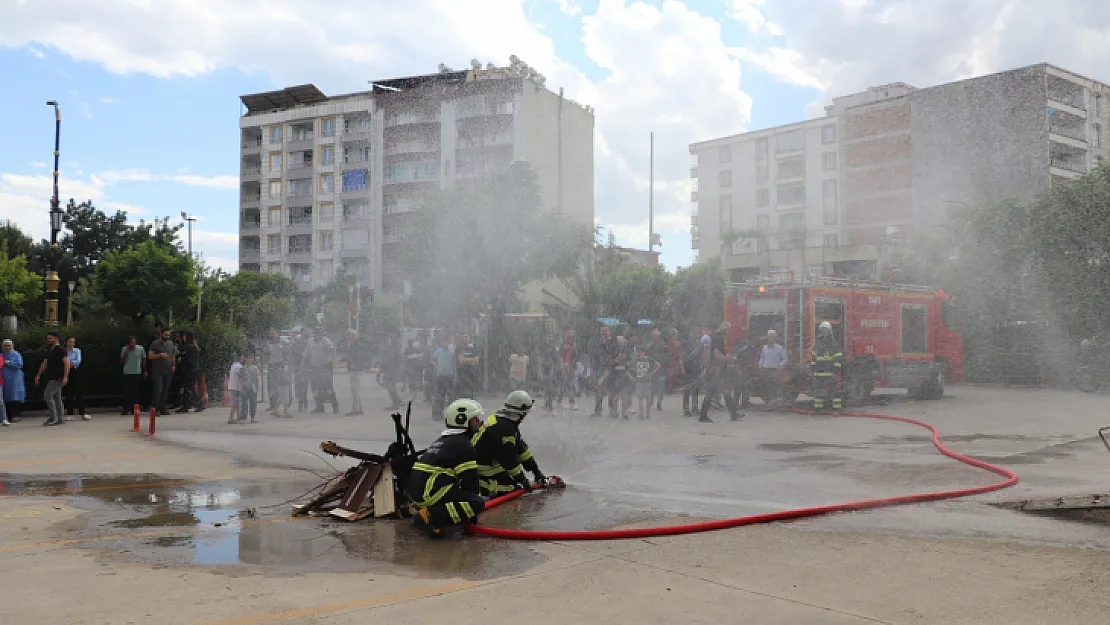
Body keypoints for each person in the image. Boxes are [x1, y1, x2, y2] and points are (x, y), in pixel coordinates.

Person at [407, 398, 488, 538]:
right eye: (475, 419)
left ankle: (430, 511)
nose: (479, 423)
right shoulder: (463, 444)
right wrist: (471, 510)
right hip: (430, 491)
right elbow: (470, 481)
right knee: (477, 503)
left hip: (422, 490)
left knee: (469, 500)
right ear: (464, 421)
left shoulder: (446, 440)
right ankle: (429, 517)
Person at [471, 390, 547, 497]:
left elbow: (521, 448)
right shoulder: (504, 429)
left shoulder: (504, 422)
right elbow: (509, 461)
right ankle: (488, 491)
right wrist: (523, 480)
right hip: (483, 469)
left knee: (512, 479)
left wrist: (536, 471)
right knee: (510, 488)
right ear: (521, 413)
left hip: (487, 461)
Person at [700, 321, 742, 423]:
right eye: (728, 329)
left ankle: (733, 414)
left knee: (724, 391)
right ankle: (703, 416)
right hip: (717, 370)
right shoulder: (718, 338)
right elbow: (717, 354)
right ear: (724, 329)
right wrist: (729, 358)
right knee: (713, 392)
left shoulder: (716, 337)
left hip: (717, 369)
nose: (729, 332)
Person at [35, 331, 70, 426]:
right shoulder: (50, 350)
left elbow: (67, 363)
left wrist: (65, 376)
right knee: (57, 397)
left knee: (47, 395)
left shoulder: (61, 350)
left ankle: (54, 417)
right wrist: (38, 374)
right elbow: (45, 363)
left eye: (50, 338)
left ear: (56, 338)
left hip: (57, 377)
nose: (48, 340)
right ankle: (60, 418)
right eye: (47, 338)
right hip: (51, 376)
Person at [812, 321, 844, 412]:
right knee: (819, 392)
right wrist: (814, 368)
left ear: (829, 331)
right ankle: (818, 409)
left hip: (830, 372)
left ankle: (836, 409)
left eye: (825, 330)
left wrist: (836, 369)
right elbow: (814, 357)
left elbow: (838, 357)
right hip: (820, 372)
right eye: (822, 330)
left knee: (834, 392)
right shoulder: (817, 344)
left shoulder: (834, 344)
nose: (824, 332)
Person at [307, 327, 339, 414]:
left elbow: (333, 351)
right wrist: (304, 365)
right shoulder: (309, 341)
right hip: (313, 366)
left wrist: (333, 362)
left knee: (328, 387)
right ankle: (319, 406)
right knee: (315, 388)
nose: (316, 335)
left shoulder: (326, 341)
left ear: (321, 334)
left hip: (325, 366)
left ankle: (335, 406)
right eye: (314, 333)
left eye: (318, 333)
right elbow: (307, 354)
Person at [589, 325, 619, 417]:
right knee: (598, 391)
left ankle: (612, 410)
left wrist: (611, 366)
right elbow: (594, 356)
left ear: (610, 332)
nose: (604, 332)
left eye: (606, 331)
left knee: (612, 392)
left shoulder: (614, 343)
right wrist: (594, 369)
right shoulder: (597, 343)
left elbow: (617, 356)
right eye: (602, 331)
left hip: (612, 370)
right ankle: (598, 410)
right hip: (599, 370)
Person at [147, 328, 176, 416]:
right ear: (161, 334)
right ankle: (154, 409)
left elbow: (173, 355)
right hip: (157, 371)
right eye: (165, 335)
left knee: (165, 390)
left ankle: (163, 408)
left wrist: (174, 365)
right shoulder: (155, 344)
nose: (167, 337)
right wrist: (160, 355)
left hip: (168, 370)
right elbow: (150, 356)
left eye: (168, 335)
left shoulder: (171, 344)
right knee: (158, 389)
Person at [343, 329, 371, 416]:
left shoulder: (356, 344)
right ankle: (359, 408)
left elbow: (356, 356)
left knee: (355, 390)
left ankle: (355, 409)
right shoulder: (356, 344)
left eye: (348, 335)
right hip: (356, 368)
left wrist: (347, 358)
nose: (346, 337)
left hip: (356, 369)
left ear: (352, 336)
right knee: (356, 390)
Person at [759, 329, 787, 407]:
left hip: (775, 370)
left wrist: (781, 366)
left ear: (775, 338)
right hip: (766, 370)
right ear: (767, 337)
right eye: (769, 336)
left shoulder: (779, 348)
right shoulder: (764, 348)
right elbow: (762, 357)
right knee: (767, 386)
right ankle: (768, 402)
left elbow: (784, 359)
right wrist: (760, 363)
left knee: (776, 386)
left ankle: (776, 402)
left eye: (773, 336)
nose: (771, 338)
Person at [681, 326, 706, 416]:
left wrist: (704, 367)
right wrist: (681, 367)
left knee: (696, 389)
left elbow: (703, 357)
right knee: (687, 389)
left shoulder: (700, 345)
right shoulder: (686, 344)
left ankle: (695, 408)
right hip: (688, 368)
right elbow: (682, 355)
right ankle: (686, 409)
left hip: (696, 369)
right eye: (694, 333)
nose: (696, 335)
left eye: (697, 333)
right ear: (691, 333)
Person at [119, 336, 146, 415]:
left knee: (135, 391)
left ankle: (134, 409)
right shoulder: (125, 349)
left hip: (137, 372)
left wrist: (145, 371)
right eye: (131, 342)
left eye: (133, 342)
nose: (132, 344)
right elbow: (121, 361)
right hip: (127, 372)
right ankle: (125, 409)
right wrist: (126, 351)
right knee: (126, 391)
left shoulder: (140, 349)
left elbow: (143, 360)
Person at [631, 342, 659, 420]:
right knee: (640, 399)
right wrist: (633, 377)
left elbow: (657, 365)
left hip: (647, 382)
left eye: (640, 351)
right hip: (639, 382)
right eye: (637, 351)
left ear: (643, 352)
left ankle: (648, 414)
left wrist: (652, 373)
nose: (638, 353)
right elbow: (631, 369)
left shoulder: (649, 359)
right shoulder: (636, 360)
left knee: (648, 399)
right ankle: (641, 414)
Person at [63, 336, 89, 421]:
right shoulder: (63, 351)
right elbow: (62, 361)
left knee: (79, 393)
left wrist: (68, 363)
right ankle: (70, 413)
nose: (71, 344)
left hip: (75, 372)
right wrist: (67, 364)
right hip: (66, 372)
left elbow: (77, 361)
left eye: (73, 342)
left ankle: (83, 413)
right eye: (69, 342)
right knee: (68, 393)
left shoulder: (77, 351)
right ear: (66, 342)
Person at [430, 335, 455, 418]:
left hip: (449, 375)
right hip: (440, 376)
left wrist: (455, 375)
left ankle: (451, 413)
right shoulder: (438, 351)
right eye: (444, 342)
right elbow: (431, 359)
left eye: (447, 342)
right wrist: (435, 366)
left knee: (451, 396)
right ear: (442, 343)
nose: (446, 344)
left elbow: (454, 364)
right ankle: (438, 413)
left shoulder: (452, 352)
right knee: (440, 395)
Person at [177, 332, 202, 413]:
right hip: (192, 370)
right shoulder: (194, 347)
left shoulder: (190, 348)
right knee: (186, 389)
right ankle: (186, 405)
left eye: (184, 337)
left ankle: (199, 403)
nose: (182, 338)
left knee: (189, 388)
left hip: (190, 371)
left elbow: (189, 360)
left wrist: (181, 358)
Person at [2, 339, 26, 423]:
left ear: (12, 346)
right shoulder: (1, 355)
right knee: (6, 397)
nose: (7, 347)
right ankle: (7, 416)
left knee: (15, 396)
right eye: (5, 346)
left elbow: (19, 364)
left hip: (15, 379)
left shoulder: (16, 354)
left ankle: (16, 415)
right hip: (4, 379)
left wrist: (8, 362)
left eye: (9, 345)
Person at [646, 329, 668, 412]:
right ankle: (651, 401)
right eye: (653, 336)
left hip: (661, 369)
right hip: (652, 370)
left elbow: (666, 358)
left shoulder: (664, 346)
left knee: (661, 387)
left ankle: (659, 401)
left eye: (655, 336)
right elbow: (647, 357)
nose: (654, 338)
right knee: (651, 386)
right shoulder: (649, 347)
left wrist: (660, 364)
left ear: (659, 337)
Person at [454, 334, 480, 400]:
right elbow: (461, 360)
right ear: (462, 339)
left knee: (470, 394)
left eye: (467, 337)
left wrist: (466, 360)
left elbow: (477, 361)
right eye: (464, 337)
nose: (466, 339)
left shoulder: (473, 349)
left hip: (471, 375)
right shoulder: (459, 348)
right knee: (462, 394)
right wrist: (471, 359)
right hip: (462, 375)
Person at [237, 351, 260, 424]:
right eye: (249, 358)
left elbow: (256, 378)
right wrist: (242, 386)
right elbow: (240, 378)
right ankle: (243, 418)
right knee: (244, 403)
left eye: (252, 358)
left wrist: (257, 387)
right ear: (245, 359)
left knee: (253, 403)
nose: (251, 360)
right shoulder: (242, 368)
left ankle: (252, 417)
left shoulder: (255, 368)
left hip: (252, 388)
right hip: (245, 387)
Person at [227, 352, 243, 424]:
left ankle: (238, 417)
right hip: (236, 387)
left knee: (237, 402)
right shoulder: (239, 366)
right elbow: (240, 376)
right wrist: (242, 386)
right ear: (240, 358)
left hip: (232, 386)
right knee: (235, 403)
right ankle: (230, 418)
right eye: (242, 357)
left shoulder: (233, 365)